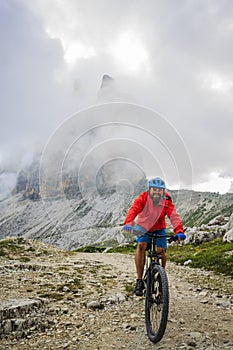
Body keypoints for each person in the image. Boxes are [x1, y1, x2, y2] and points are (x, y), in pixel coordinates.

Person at [124, 177, 186, 296]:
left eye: (160, 190)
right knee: (141, 245)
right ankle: (139, 280)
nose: (157, 192)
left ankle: (160, 275)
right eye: (154, 189)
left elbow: (173, 216)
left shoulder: (167, 200)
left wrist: (179, 231)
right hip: (143, 226)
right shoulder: (143, 198)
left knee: (160, 251)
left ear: (163, 191)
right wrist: (128, 223)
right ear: (149, 190)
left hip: (159, 228)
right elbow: (134, 210)